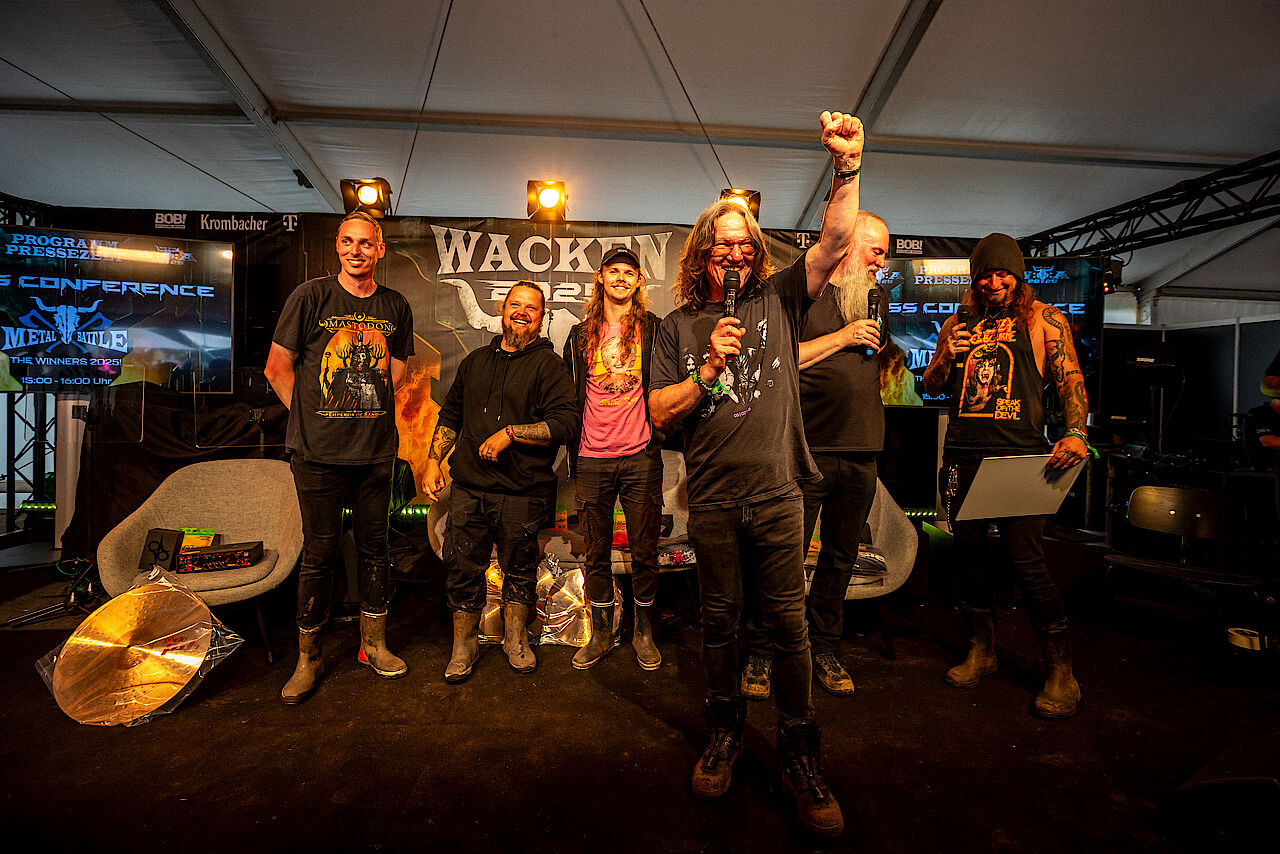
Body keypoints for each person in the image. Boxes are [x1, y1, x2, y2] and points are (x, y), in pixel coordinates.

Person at [648, 110, 864, 838]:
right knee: (718, 624)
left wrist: (847, 168)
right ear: (703, 255)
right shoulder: (677, 326)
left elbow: (835, 240)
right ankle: (725, 734)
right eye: (724, 245)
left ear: (756, 253)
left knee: (788, 626)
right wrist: (708, 369)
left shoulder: (780, 298)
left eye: (746, 244)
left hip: (777, 494)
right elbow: (659, 411)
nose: (736, 254)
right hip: (712, 501)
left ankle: (801, 754)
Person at [923, 232, 1089, 719]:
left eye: (1003, 274)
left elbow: (1070, 378)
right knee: (970, 559)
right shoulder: (957, 322)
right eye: (986, 275)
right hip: (963, 455)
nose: (994, 283)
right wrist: (945, 354)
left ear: (1017, 276)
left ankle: (1061, 670)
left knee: (1027, 562)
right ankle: (982, 651)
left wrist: (1076, 432)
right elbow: (933, 386)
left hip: (1019, 458)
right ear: (974, 279)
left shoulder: (1043, 319)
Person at [265, 210, 415, 705]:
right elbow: (277, 368)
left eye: (366, 243)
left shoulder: (395, 305)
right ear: (337, 246)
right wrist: (312, 418)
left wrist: (363, 408)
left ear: (380, 250)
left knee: (376, 549)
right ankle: (308, 657)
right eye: (348, 242)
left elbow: (397, 371)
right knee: (320, 554)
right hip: (318, 455)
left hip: (375, 452)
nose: (356, 250)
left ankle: (374, 645)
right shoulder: (310, 296)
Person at [740, 211, 890, 701]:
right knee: (782, 557)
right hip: (806, 449)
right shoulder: (801, 294)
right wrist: (844, 337)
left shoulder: (873, 298)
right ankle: (763, 651)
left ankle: (824, 646)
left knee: (841, 557)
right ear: (848, 243)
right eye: (876, 251)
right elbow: (778, 357)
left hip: (862, 448)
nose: (881, 262)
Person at [423, 281, 578, 682]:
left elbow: (565, 424)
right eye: (515, 304)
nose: (522, 312)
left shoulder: (550, 366)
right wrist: (433, 460)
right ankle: (464, 646)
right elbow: (451, 414)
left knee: (520, 569)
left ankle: (515, 640)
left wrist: (511, 433)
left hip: (523, 492)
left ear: (542, 317)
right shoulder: (475, 361)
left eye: (531, 307)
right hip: (469, 490)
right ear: (502, 310)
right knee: (462, 569)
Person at [561, 247, 665, 671]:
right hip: (591, 458)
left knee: (645, 553)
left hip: (641, 456)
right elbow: (569, 397)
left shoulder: (654, 329)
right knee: (595, 555)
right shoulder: (579, 335)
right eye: (614, 271)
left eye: (629, 272)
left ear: (638, 281)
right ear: (600, 278)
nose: (621, 278)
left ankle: (644, 633)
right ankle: (602, 633)